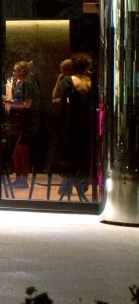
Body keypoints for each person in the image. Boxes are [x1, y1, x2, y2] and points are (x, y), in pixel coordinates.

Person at [57, 53, 96, 199]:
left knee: (69, 154)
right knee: (84, 154)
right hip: (87, 122)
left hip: (71, 121)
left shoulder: (68, 80)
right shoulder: (90, 81)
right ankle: (82, 184)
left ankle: (67, 185)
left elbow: (62, 103)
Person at [4, 60, 41, 187]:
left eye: (16, 70)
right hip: (18, 120)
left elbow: (27, 105)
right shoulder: (19, 83)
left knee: (23, 150)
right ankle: (18, 177)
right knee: (17, 150)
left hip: (26, 121)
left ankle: (23, 179)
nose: (14, 72)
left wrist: (10, 102)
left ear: (22, 71)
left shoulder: (28, 84)